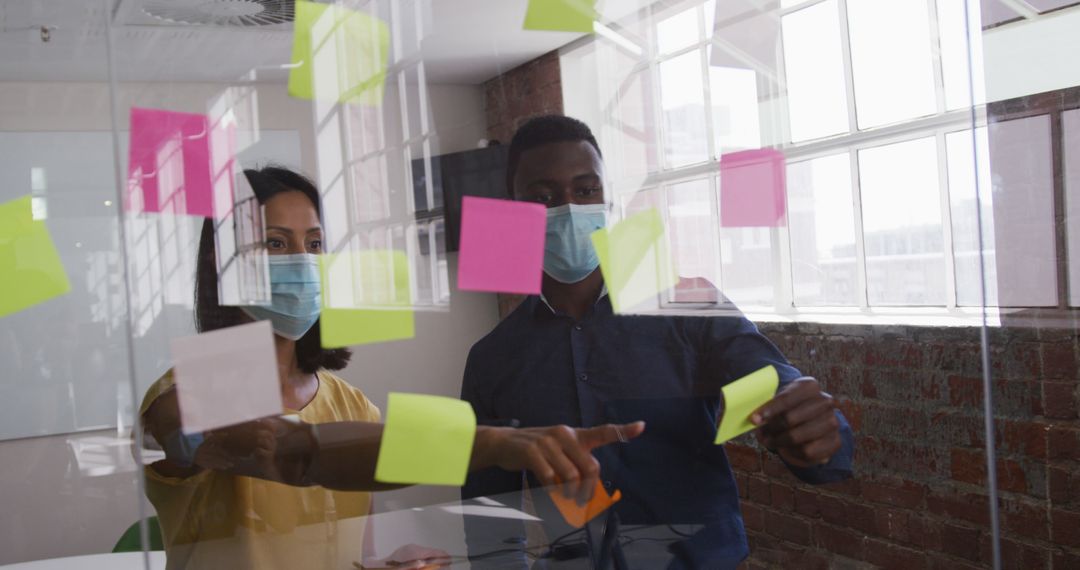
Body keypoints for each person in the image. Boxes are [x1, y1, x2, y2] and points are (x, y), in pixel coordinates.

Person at [138, 166, 644, 570]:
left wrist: (384, 563)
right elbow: (288, 454)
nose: (303, 262)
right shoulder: (187, 389)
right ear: (220, 265)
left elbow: (348, 548)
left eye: (314, 245)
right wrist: (490, 442)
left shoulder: (348, 401)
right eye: (276, 244)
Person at [460, 116, 855, 568]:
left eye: (586, 190)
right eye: (543, 197)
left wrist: (809, 424)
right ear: (513, 209)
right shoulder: (493, 359)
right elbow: (489, 514)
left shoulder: (686, 307)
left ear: (609, 201)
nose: (569, 209)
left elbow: (772, 381)